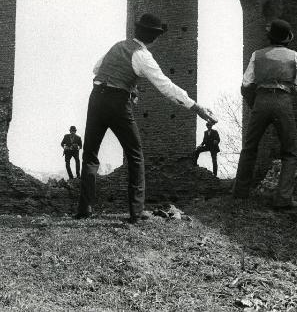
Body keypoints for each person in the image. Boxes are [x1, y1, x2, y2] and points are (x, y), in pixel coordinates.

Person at [75, 13, 217, 224]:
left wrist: (130, 85)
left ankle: (84, 209)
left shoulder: (117, 46)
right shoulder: (142, 55)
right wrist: (196, 107)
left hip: (96, 98)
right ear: (154, 37)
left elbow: (97, 69)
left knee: (90, 154)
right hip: (117, 103)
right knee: (135, 155)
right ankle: (136, 211)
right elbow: (165, 87)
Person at [233, 19, 297, 209]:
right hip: (283, 102)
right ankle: (283, 199)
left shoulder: (257, 55)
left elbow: (246, 85)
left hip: (261, 101)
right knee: (289, 152)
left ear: (269, 37)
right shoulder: (296, 57)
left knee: (249, 148)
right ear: (287, 39)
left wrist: (254, 104)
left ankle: (240, 194)